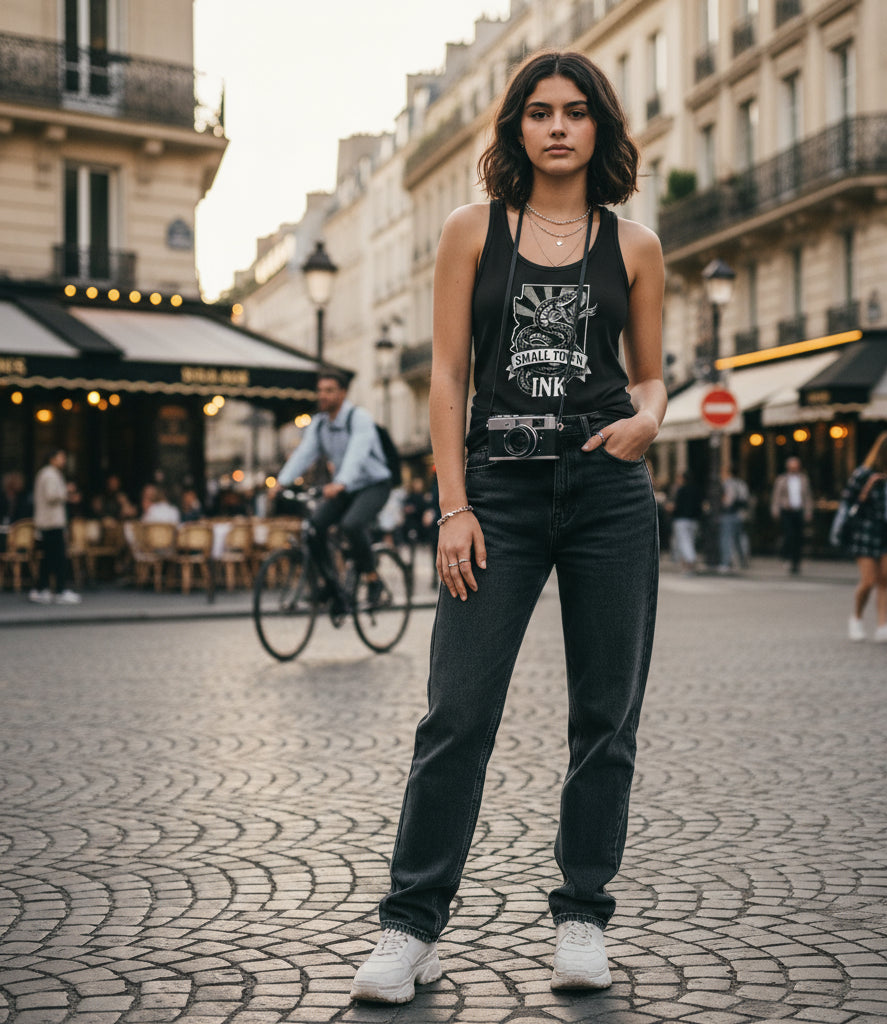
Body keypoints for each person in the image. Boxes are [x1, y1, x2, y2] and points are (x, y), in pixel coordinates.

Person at [351, 50, 666, 1004]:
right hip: (499, 495)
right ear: (516, 128)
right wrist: (454, 505)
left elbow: (651, 376)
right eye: (540, 112)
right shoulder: (471, 231)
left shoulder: (636, 245)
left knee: (605, 716)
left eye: (576, 112)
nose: (558, 127)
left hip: (609, 493)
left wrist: (651, 416)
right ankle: (411, 927)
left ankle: (581, 914)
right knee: (456, 714)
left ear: (601, 128)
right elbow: (448, 378)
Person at [272, 371, 392, 612]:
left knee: (352, 524)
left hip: (373, 484)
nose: (322, 395)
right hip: (344, 487)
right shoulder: (319, 425)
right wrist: (281, 481)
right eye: (320, 390)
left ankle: (373, 579)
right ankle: (330, 586)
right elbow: (304, 454)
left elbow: (357, 454)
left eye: (329, 390)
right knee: (314, 527)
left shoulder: (359, 418)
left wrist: (341, 482)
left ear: (342, 393)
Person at [839, 432, 887, 643]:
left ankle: (883, 625)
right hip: (866, 531)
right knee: (868, 581)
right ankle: (856, 619)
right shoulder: (864, 473)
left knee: (884, 581)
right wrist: (866, 490)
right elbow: (847, 501)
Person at [29, 449, 80, 604]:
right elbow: (51, 496)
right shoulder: (50, 474)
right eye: (61, 457)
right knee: (58, 557)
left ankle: (42, 589)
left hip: (48, 522)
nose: (63, 460)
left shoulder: (46, 473)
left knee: (49, 558)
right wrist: (67, 492)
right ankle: (58, 590)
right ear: (52, 459)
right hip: (51, 522)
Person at [771, 455, 813, 574]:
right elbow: (776, 496)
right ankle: (786, 557)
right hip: (787, 511)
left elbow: (807, 497)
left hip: (799, 511)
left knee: (798, 538)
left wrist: (808, 511)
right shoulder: (782, 479)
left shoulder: (804, 479)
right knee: (789, 535)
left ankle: (796, 562)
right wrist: (776, 509)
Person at [718, 468, 749, 573]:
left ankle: (726, 563)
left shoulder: (728, 484)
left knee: (726, 539)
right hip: (740, 515)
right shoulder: (742, 484)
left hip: (729, 514)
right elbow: (745, 499)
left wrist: (722, 505)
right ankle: (743, 560)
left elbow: (728, 501)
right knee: (738, 539)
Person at [669, 470, 701, 572]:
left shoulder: (681, 490)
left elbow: (676, 506)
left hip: (681, 519)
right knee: (690, 541)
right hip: (694, 520)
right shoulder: (696, 490)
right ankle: (688, 564)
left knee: (684, 542)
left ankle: (690, 563)